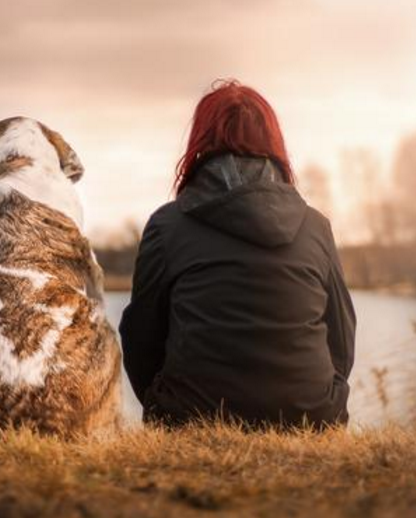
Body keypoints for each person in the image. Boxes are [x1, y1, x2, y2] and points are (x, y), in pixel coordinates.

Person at [119, 80, 356, 429]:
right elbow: (342, 337)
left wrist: (163, 404)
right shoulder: (315, 226)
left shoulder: (167, 226)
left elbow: (141, 338)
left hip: (191, 417)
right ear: (274, 143)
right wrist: (322, 400)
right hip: (311, 417)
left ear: (200, 142)